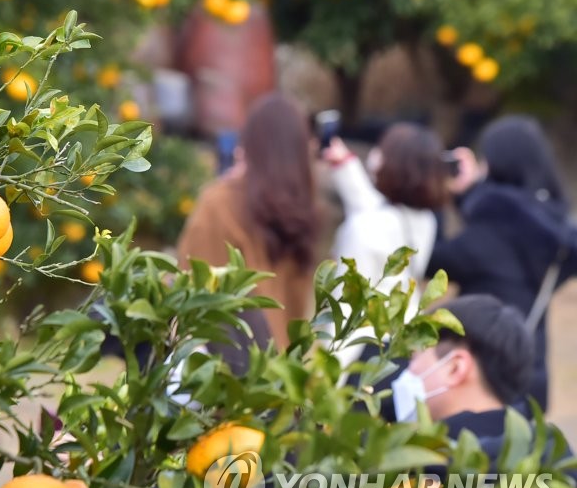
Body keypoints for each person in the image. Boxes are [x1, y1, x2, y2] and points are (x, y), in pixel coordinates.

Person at [426, 115, 577, 413]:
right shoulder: (553, 227)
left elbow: (435, 261)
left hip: (484, 377)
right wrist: (471, 193)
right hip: (529, 373)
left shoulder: (494, 221)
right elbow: (506, 227)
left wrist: (436, 198)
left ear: (496, 165)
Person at [176, 93, 319, 364]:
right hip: (284, 378)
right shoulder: (300, 212)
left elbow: (192, 293)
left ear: (249, 144)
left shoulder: (219, 204)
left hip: (230, 378)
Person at [392, 295, 577, 482]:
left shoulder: (420, 472)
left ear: (454, 368)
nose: (408, 372)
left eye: (413, 359)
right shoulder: (555, 461)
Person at [322, 125, 449, 368]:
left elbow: (347, 309)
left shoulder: (365, 227)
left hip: (361, 352)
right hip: (403, 346)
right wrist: (345, 165)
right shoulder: (425, 221)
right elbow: (374, 209)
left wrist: (331, 373)